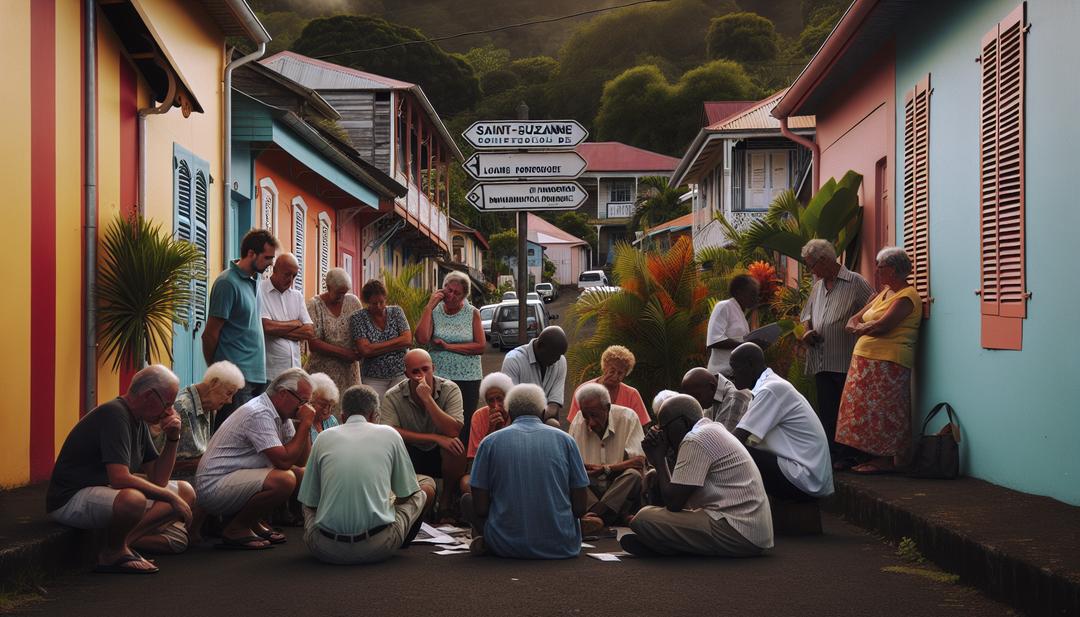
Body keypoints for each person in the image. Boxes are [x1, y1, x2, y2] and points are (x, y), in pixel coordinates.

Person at [47, 365, 195, 573]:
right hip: (70, 499)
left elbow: (159, 479)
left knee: (185, 491)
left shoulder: (139, 421)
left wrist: (173, 438)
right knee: (133, 499)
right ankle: (112, 553)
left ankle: (123, 544)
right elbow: (119, 478)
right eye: (167, 404)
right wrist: (171, 499)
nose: (169, 411)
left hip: (102, 491)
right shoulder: (115, 414)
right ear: (149, 396)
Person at [619, 394, 772, 558]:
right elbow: (679, 490)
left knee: (643, 518)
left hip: (737, 532)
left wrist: (659, 459)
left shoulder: (695, 439)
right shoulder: (711, 430)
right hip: (751, 532)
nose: (663, 436)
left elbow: (674, 503)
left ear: (683, 422)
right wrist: (659, 465)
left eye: (665, 428)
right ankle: (666, 543)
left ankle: (666, 545)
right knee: (655, 481)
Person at [298, 385, 435, 565]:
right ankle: (401, 540)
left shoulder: (323, 437)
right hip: (378, 547)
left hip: (324, 548)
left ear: (342, 416)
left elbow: (310, 501)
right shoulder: (390, 434)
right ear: (373, 415)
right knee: (425, 486)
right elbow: (406, 493)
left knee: (307, 502)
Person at [464, 384, 590, 559]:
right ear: (544, 413)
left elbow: (481, 507)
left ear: (510, 413)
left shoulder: (489, 442)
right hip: (562, 544)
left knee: (467, 500)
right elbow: (580, 508)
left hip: (505, 545)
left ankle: (488, 541)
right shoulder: (566, 441)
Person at [195, 368, 314, 549]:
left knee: (299, 473)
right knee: (285, 480)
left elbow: (300, 461)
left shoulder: (281, 415)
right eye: (302, 401)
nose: (305, 407)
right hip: (214, 485)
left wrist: (304, 426)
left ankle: (251, 522)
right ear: (283, 394)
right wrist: (305, 424)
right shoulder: (260, 412)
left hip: (234, 477)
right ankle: (236, 529)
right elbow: (283, 461)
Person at [835, 247, 923, 474]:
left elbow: (882, 325)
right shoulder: (883, 293)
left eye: (880, 267)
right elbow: (853, 320)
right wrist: (861, 328)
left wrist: (860, 329)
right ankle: (872, 457)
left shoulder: (907, 296)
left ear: (893, 270)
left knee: (884, 410)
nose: (876, 271)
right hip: (865, 360)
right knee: (865, 412)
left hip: (888, 362)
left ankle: (884, 460)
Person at [798, 239, 875, 469]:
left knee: (848, 411)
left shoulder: (855, 282)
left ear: (824, 260)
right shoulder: (817, 286)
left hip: (845, 360)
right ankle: (833, 456)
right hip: (821, 359)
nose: (811, 271)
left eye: (812, 265)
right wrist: (807, 332)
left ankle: (848, 456)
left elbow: (873, 309)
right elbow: (806, 316)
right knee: (828, 411)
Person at [729, 343, 834, 502]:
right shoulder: (767, 387)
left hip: (805, 478)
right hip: (803, 475)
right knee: (739, 453)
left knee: (735, 453)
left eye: (734, 368)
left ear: (750, 364)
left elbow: (736, 439)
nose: (731, 375)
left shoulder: (771, 389)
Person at [204, 228, 278, 428]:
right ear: (251, 253)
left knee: (251, 437)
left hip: (258, 376)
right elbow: (210, 334)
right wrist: (217, 371)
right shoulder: (227, 283)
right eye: (267, 257)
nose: (271, 263)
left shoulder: (256, 280)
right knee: (234, 436)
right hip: (236, 379)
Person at [380, 348, 464, 518]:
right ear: (406, 374)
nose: (421, 375)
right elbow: (389, 432)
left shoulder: (450, 389)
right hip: (409, 450)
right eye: (415, 371)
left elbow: (454, 429)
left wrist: (428, 399)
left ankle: (446, 502)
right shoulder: (393, 395)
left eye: (425, 369)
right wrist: (434, 437)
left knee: (456, 446)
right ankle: (407, 502)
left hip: (439, 451)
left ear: (434, 367)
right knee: (389, 447)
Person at [415, 271, 484, 447]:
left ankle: (462, 462)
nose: (451, 295)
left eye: (457, 293)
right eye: (448, 289)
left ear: (463, 296)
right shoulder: (435, 311)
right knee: (437, 418)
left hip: (468, 377)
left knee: (464, 422)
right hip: (439, 376)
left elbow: (480, 346)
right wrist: (429, 307)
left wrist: (448, 346)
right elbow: (422, 338)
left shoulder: (472, 313)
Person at [568, 383, 645, 530]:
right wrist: (581, 467)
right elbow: (570, 462)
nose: (590, 422)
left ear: (607, 408)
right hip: (590, 488)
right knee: (568, 475)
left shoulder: (627, 417)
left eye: (594, 415)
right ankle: (614, 515)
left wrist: (607, 469)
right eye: (586, 415)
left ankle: (595, 515)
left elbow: (639, 461)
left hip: (617, 486)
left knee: (633, 475)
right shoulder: (578, 421)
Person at [150, 360, 245, 475]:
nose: (230, 401)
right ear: (214, 383)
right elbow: (167, 463)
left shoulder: (209, 407)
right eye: (229, 393)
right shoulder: (182, 407)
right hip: (177, 479)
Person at [305, 268, 363, 404]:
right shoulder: (314, 305)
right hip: (323, 373)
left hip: (348, 373)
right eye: (338, 293)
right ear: (329, 287)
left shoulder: (353, 302)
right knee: (324, 409)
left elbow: (362, 330)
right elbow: (314, 343)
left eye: (345, 292)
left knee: (350, 408)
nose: (342, 297)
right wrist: (344, 353)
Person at [350, 278, 412, 401]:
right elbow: (365, 350)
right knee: (375, 412)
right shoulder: (358, 318)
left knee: (399, 411)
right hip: (373, 377)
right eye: (374, 303)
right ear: (367, 302)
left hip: (400, 373)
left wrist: (374, 347)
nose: (379, 306)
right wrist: (397, 343)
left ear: (385, 299)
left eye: (381, 302)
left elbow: (407, 340)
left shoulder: (396, 312)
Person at [260, 253, 315, 382]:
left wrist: (278, 330)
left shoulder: (296, 296)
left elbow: (309, 331)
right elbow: (266, 327)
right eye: (287, 274)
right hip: (270, 372)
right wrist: (295, 323)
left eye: (294, 276)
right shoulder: (260, 290)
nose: (290, 280)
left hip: (293, 372)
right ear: (275, 270)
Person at [501, 325, 568, 427]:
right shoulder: (513, 360)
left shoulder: (560, 360)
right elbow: (511, 405)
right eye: (554, 354)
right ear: (540, 346)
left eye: (560, 355)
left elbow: (554, 404)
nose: (558, 359)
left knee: (553, 424)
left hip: (546, 419)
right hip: (518, 422)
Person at [567, 345, 649, 426]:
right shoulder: (583, 391)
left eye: (620, 373)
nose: (615, 376)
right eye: (612, 371)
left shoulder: (632, 394)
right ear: (604, 367)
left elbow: (642, 426)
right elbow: (574, 424)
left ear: (626, 374)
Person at [461, 372, 513, 494]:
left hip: (512, 467)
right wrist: (491, 429)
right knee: (465, 483)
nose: (496, 405)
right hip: (488, 469)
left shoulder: (517, 412)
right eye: (491, 401)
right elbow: (476, 458)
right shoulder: (479, 416)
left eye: (500, 399)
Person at [705, 274, 759, 376]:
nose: (756, 297)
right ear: (739, 292)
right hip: (722, 375)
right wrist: (746, 346)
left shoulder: (741, 313)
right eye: (752, 293)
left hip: (736, 374)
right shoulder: (724, 306)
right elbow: (714, 341)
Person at [680, 367, 751, 433]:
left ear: (712, 387)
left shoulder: (735, 398)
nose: (696, 402)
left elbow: (721, 438)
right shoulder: (709, 394)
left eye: (697, 396)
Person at [307, 373, 340, 443]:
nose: (327, 410)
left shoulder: (332, 420)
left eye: (330, 405)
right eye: (323, 405)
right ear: (310, 401)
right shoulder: (303, 423)